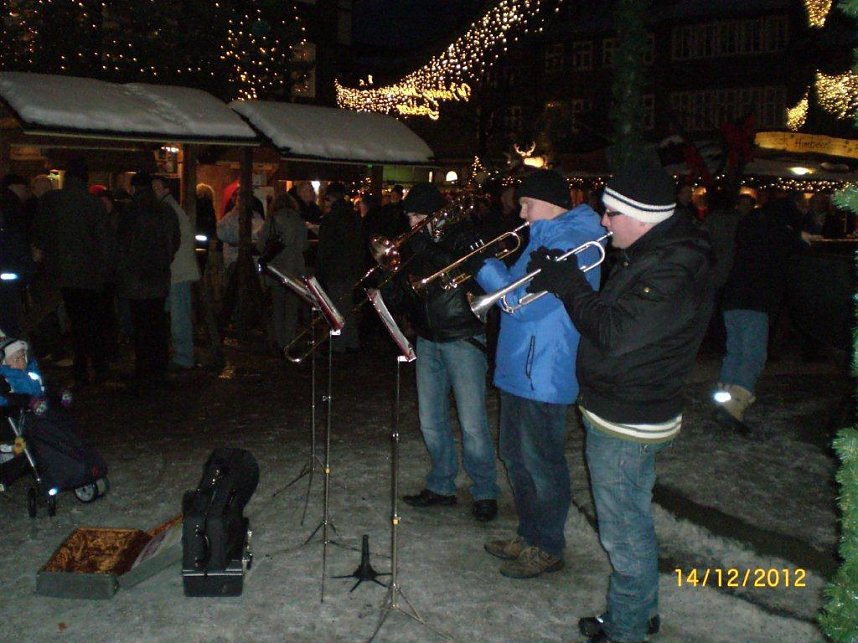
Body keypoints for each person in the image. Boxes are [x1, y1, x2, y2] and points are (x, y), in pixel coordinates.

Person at [526, 155, 715, 643]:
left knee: (623, 533)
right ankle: (639, 612)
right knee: (630, 520)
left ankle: (627, 628)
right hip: (623, 407)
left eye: (610, 214)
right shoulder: (654, 253)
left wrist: (568, 286)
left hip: (629, 419)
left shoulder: (672, 268)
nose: (603, 222)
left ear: (640, 217)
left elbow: (612, 330)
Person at [473, 169, 606, 577]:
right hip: (519, 365)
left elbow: (522, 304)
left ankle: (548, 545)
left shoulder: (574, 244)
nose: (522, 214)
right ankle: (529, 533)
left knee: (542, 463)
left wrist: (486, 268)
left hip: (544, 371)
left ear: (548, 202)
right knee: (515, 457)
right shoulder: (542, 238)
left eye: (526, 205)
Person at [382, 182, 499, 522]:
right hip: (428, 338)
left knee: (472, 422)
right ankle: (441, 485)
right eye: (409, 217)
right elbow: (412, 293)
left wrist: (425, 248)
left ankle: (485, 490)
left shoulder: (463, 235)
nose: (412, 223)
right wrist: (393, 287)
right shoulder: (415, 245)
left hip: (462, 336)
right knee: (430, 420)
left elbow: (474, 271)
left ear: (437, 214)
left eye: (418, 216)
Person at [713, 197, 819, 434]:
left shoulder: (751, 224)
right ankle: (734, 407)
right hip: (757, 300)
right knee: (752, 355)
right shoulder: (781, 232)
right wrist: (799, 234)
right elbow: (800, 240)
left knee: (735, 353)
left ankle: (723, 401)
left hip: (733, 298)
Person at [33, 158, 110, 387]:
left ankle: (78, 370)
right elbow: (104, 241)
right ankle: (97, 368)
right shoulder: (93, 204)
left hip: (61, 273)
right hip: (89, 275)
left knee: (72, 321)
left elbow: (40, 233)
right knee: (91, 322)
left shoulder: (52, 201)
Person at [116, 171, 180, 384]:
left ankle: (144, 366)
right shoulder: (165, 211)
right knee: (157, 321)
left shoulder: (130, 212)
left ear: (134, 189)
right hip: (159, 275)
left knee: (140, 324)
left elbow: (122, 244)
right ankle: (159, 366)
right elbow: (175, 241)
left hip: (136, 278)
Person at [152, 176, 200, 370]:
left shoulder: (168, 210)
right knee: (178, 312)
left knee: (179, 314)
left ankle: (183, 356)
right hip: (179, 269)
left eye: (156, 187)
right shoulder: (172, 208)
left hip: (177, 270)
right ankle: (181, 354)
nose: (153, 191)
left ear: (166, 190)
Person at [256, 192, 309, 355]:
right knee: (292, 306)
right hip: (295, 268)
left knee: (278, 305)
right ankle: (290, 340)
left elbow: (261, 245)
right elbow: (304, 245)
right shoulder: (299, 221)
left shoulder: (271, 220)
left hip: (277, 268)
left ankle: (279, 341)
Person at [316, 182, 363, 353]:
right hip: (350, 268)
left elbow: (325, 249)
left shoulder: (330, 219)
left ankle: (338, 344)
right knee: (347, 306)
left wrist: (320, 271)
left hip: (335, 269)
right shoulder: (353, 216)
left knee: (336, 308)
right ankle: (351, 341)